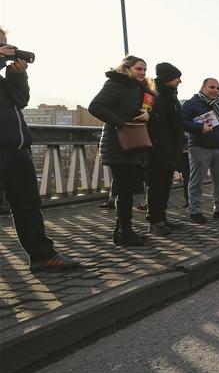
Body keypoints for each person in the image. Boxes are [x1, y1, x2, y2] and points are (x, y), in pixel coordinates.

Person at [0, 27, 80, 270]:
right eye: (3, 46)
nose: (8, 50)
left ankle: (42, 256)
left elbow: (21, 101)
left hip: (17, 148)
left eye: (7, 45)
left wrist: (17, 76)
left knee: (28, 205)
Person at [88, 55, 154, 246]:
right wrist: (121, 123)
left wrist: (147, 114)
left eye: (144, 70)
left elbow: (141, 110)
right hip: (119, 145)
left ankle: (123, 231)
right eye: (138, 69)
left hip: (133, 143)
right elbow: (95, 106)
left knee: (126, 191)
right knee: (124, 192)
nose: (142, 73)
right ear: (126, 68)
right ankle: (124, 233)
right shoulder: (115, 84)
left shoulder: (139, 88)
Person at [181, 78, 219, 223]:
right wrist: (199, 128)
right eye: (212, 87)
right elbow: (180, 122)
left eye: (218, 88)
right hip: (199, 147)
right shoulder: (191, 104)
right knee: (196, 181)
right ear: (203, 87)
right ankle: (195, 211)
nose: (215, 90)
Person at [146, 62, 184, 235]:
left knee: (165, 185)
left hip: (171, 148)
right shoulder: (154, 94)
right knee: (156, 186)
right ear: (168, 78)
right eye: (177, 77)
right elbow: (149, 119)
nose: (180, 81)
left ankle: (162, 218)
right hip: (158, 148)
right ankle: (154, 221)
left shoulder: (171, 95)